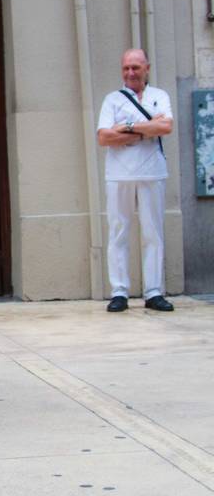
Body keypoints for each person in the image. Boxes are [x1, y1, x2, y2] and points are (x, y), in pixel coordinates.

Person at [96, 49, 174, 312]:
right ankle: (119, 291)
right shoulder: (112, 100)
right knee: (119, 231)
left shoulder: (159, 96)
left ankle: (153, 291)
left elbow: (165, 127)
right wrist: (145, 128)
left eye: (136, 68)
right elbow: (104, 137)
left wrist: (126, 128)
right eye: (126, 68)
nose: (130, 73)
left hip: (152, 172)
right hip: (119, 174)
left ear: (146, 68)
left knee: (153, 232)